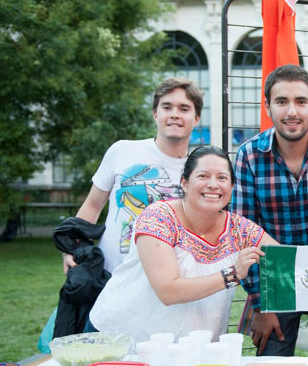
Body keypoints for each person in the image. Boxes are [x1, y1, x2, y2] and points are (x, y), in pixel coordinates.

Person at [88, 146, 276, 343]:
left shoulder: (239, 228)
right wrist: (233, 274)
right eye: (203, 176)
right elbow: (168, 291)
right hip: (121, 340)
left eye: (222, 178)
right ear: (184, 182)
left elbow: (287, 260)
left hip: (191, 349)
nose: (213, 185)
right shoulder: (158, 217)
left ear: (231, 187)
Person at [232, 64, 308, 357]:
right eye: (281, 101)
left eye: (301, 101)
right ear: (267, 106)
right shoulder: (248, 155)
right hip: (274, 284)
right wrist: (260, 303)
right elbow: (244, 230)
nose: (292, 112)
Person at [63, 78, 203, 274]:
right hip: (108, 279)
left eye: (184, 109)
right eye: (167, 107)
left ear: (196, 118)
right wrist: (72, 248)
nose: (174, 115)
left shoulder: (200, 172)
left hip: (165, 285)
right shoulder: (122, 150)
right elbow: (93, 205)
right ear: (155, 113)